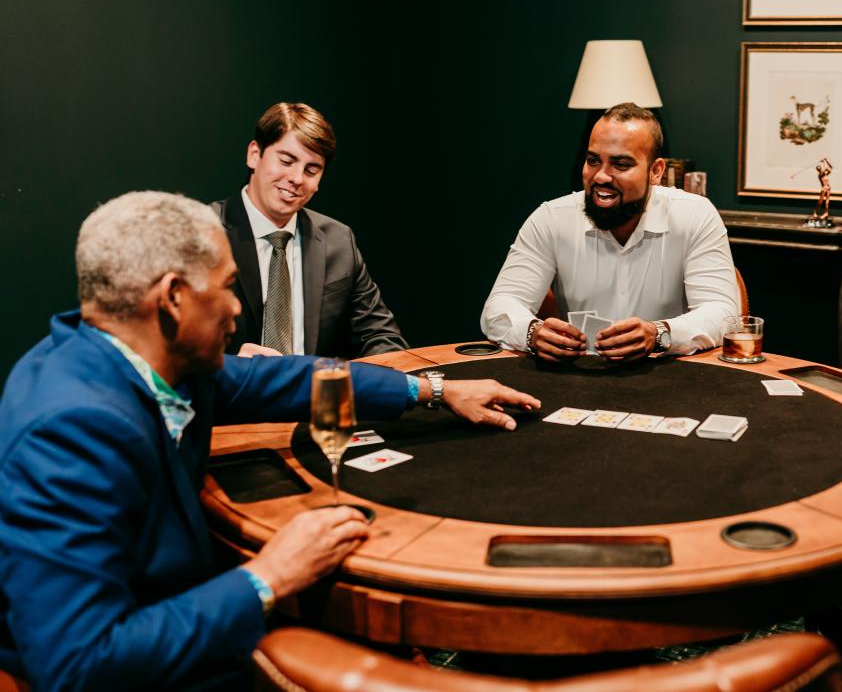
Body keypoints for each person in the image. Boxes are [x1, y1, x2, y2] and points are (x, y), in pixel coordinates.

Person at [0, 192, 539, 691]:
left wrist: (434, 390)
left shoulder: (151, 359)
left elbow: (291, 380)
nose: (237, 309)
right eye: (228, 286)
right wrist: (269, 577)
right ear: (173, 298)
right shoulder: (69, 429)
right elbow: (77, 666)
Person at [481, 102, 739, 362]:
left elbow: (723, 313)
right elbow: (499, 307)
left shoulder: (695, 215)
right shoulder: (551, 218)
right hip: (577, 374)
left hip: (670, 374)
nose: (601, 177)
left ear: (655, 171)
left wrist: (659, 334)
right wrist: (532, 333)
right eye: (593, 161)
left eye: (621, 164)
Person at [212, 102, 406, 359]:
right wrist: (230, 367)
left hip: (316, 384)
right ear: (254, 155)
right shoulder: (202, 233)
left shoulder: (338, 240)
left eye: (311, 170)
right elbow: (169, 349)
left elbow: (380, 336)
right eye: (286, 161)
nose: (297, 178)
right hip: (232, 384)